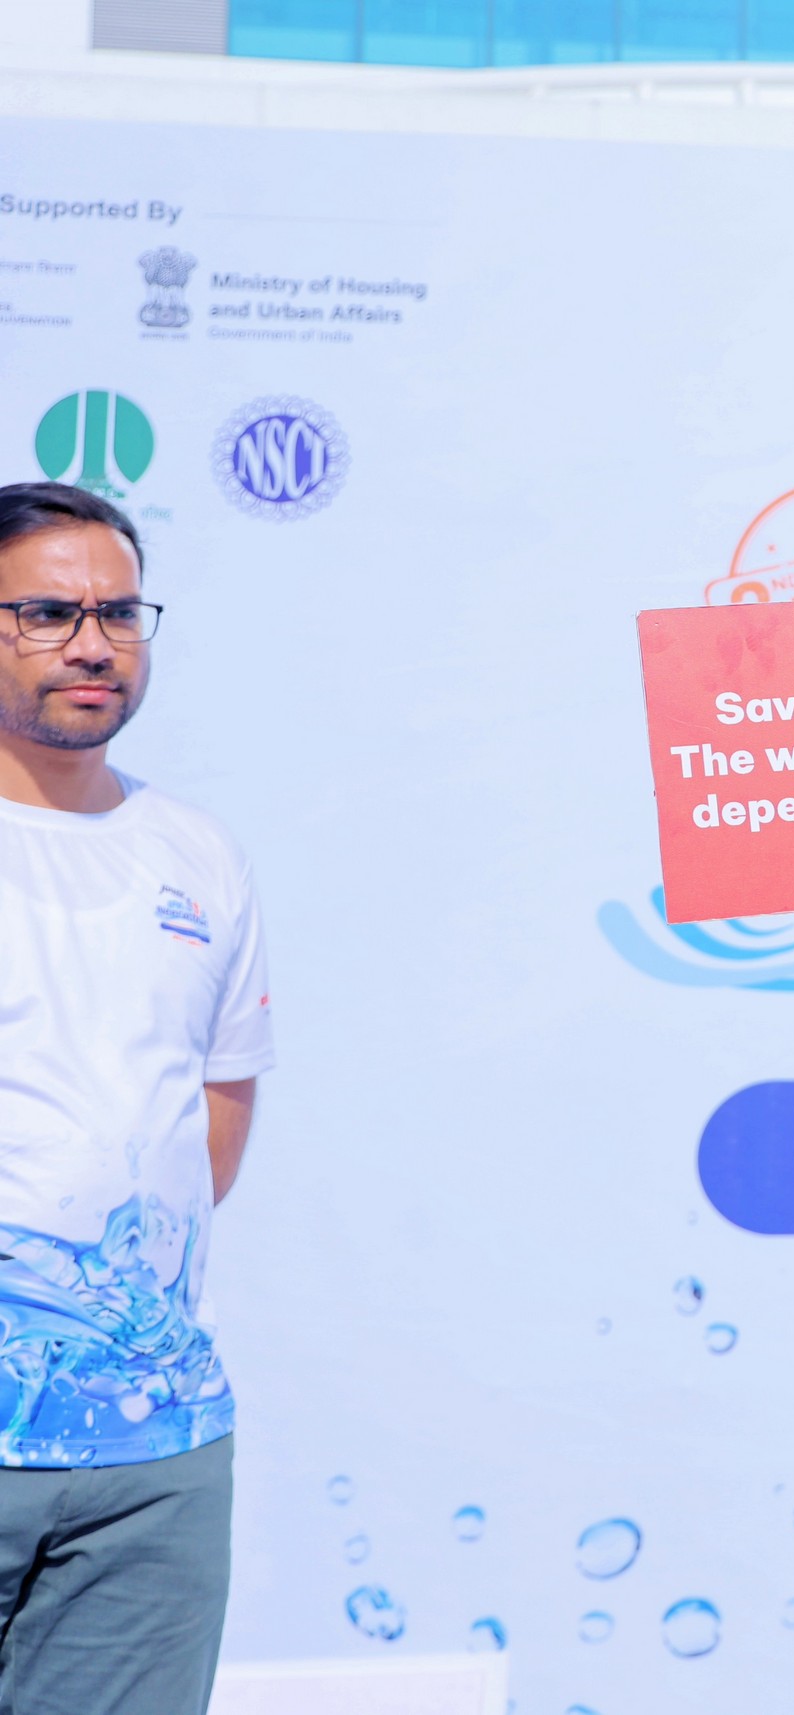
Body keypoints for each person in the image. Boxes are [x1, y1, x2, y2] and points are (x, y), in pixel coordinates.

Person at [0, 483, 270, 1714]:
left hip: (155, 1455)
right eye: (48, 612)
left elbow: (215, 1114)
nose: (93, 642)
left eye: (118, 611)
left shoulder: (197, 851)